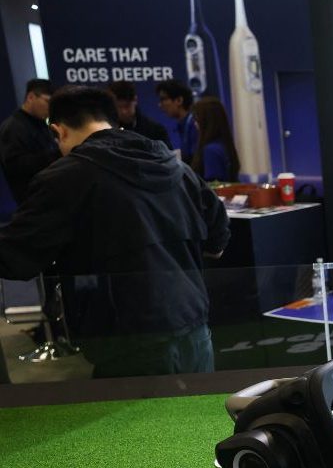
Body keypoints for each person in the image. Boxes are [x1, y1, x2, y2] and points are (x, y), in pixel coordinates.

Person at [0, 86, 230, 378]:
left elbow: (17, 257)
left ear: (59, 131)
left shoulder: (64, 178)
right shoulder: (174, 166)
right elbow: (218, 241)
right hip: (194, 326)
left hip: (126, 339)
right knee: (198, 421)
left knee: (140, 423)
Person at [0, 79, 59, 205]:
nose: (50, 108)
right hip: (31, 200)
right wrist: (57, 154)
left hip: (48, 195)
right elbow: (15, 167)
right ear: (31, 97)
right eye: (47, 101)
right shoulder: (13, 127)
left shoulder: (42, 124)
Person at [107, 80, 172, 150]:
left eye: (127, 106)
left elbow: (167, 157)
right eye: (119, 107)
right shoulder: (107, 130)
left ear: (135, 100)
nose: (123, 111)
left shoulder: (155, 130)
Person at [190, 96, 240, 182]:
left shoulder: (211, 150)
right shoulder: (224, 145)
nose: (195, 124)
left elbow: (213, 186)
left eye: (197, 119)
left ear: (206, 121)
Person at [155, 78, 199, 163]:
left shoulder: (195, 125)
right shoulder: (184, 125)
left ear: (179, 100)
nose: (160, 105)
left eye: (163, 99)